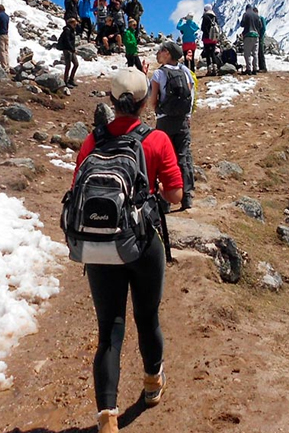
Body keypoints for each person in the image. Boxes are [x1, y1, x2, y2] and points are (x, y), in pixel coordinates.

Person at [73, 67, 182, 433]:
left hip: (100, 247)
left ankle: (107, 418)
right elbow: (175, 196)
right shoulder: (156, 140)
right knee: (146, 317)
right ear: (144, 101)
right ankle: (152, 386)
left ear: (110, 101)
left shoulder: (93, 141)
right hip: (142, 243)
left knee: (109, 331)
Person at [150, 40, 195, 211]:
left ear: (167, 53)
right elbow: (190, 95)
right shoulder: (185, 72)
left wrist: (159, 111)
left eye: (161, 51)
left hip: (165, 121)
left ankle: (165, 200)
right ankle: (187, 197)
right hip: (182, 120)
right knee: (183, 158)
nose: (158, 53)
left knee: (164, 160)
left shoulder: (159, 74)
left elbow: (153, 100)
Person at [200, 4, 222, 76]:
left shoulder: (205, 16)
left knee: (207, 54)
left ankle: (209, 70)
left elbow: (202, 28)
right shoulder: (214, 16)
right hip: (213, 38)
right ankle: (215, 68)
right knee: (213, 53)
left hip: (206, 38)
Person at [239, 5, 260, 75]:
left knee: (247, 54)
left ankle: (249, 69)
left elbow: (242, 24)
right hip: (256, 36)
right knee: (255, 53)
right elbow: (260, 25)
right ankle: (255, 69)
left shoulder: (246, 14)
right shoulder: (257, 15)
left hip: (248, 35)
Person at [59, 18, 80, 87]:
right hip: (67, 50)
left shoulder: (71, 30)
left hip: (71, 50)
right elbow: (67, 41)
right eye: (74, 23)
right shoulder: (67, 31)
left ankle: (71, 79)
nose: (75, 24)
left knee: (76, 64)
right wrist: (71, 48)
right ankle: (66, 81)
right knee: (68, 66)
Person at [0, 4, 10, 71]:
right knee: (6, 51)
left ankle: (4, 66)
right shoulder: (7, 16)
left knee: (1, 51)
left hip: (0, 34)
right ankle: (7, 65)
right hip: (6, 34)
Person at [253, 7, 268, 73]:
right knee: (257, 52)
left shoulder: (261, 18)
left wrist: (261, 35)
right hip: (257, 37)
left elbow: (264, 28)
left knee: (260, 52)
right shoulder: (256, 19)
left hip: (260, 38)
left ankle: (263, 67)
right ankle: (260, 66)